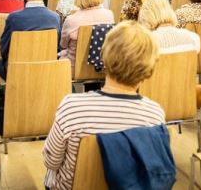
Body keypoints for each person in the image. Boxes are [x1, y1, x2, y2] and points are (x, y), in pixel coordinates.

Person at [43, 21, 165, 190]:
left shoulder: (71, 107)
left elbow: (51, 161)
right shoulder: (155, 115)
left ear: (104, 56)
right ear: (150, 67)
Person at [0, 0, 60, 80]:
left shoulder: (14, 18)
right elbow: (58, 48)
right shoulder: (55, 18)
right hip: (46, 70)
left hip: (17, 71)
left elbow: (4, 49)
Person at [58, 0, 114, 76]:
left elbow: (63, 45)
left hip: (74, 70)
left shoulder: (71, 20)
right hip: (102, 68)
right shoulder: (109, 15)